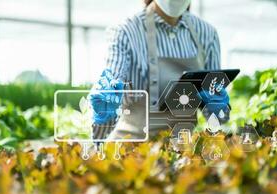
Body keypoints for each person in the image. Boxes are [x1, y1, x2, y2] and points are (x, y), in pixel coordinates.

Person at [89, 0, 229, 140]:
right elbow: (111, 84)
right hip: (132, 146)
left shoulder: (207, 34)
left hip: (183, 150)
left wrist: (218, 108)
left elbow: (219, 118)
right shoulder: (126, 32)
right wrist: (104, 102)